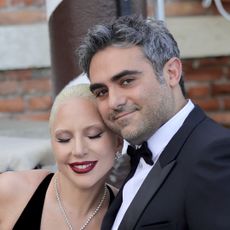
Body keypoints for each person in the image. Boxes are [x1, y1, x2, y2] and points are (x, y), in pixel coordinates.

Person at [77, 15, 230, 230]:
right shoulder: (141, 155)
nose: (114, 102)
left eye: (127, 81)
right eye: (102, 91)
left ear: (172, 73)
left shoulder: (215, 155)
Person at [0, 84, 123, 230]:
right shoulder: (10, 189)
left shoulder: (128, 211)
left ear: (118, 141)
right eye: (64, 139)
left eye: (93, 135)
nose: (78, 150)